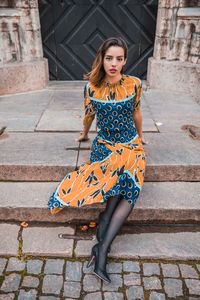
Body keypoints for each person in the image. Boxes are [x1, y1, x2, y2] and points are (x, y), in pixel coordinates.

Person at [48, 37, 147, 283]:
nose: (114, 64)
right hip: (104, 144)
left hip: (130, 143)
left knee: (130, 180)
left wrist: (140, 138)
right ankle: (102, 242)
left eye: (119, 59)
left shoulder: (134, 84)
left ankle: (101, 248)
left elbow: (136, 112)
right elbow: (88, 116)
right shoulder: (91, 88)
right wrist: (83, 135)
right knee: (115, 170)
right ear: (102, 59)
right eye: (109, 58)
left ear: (125, 61)